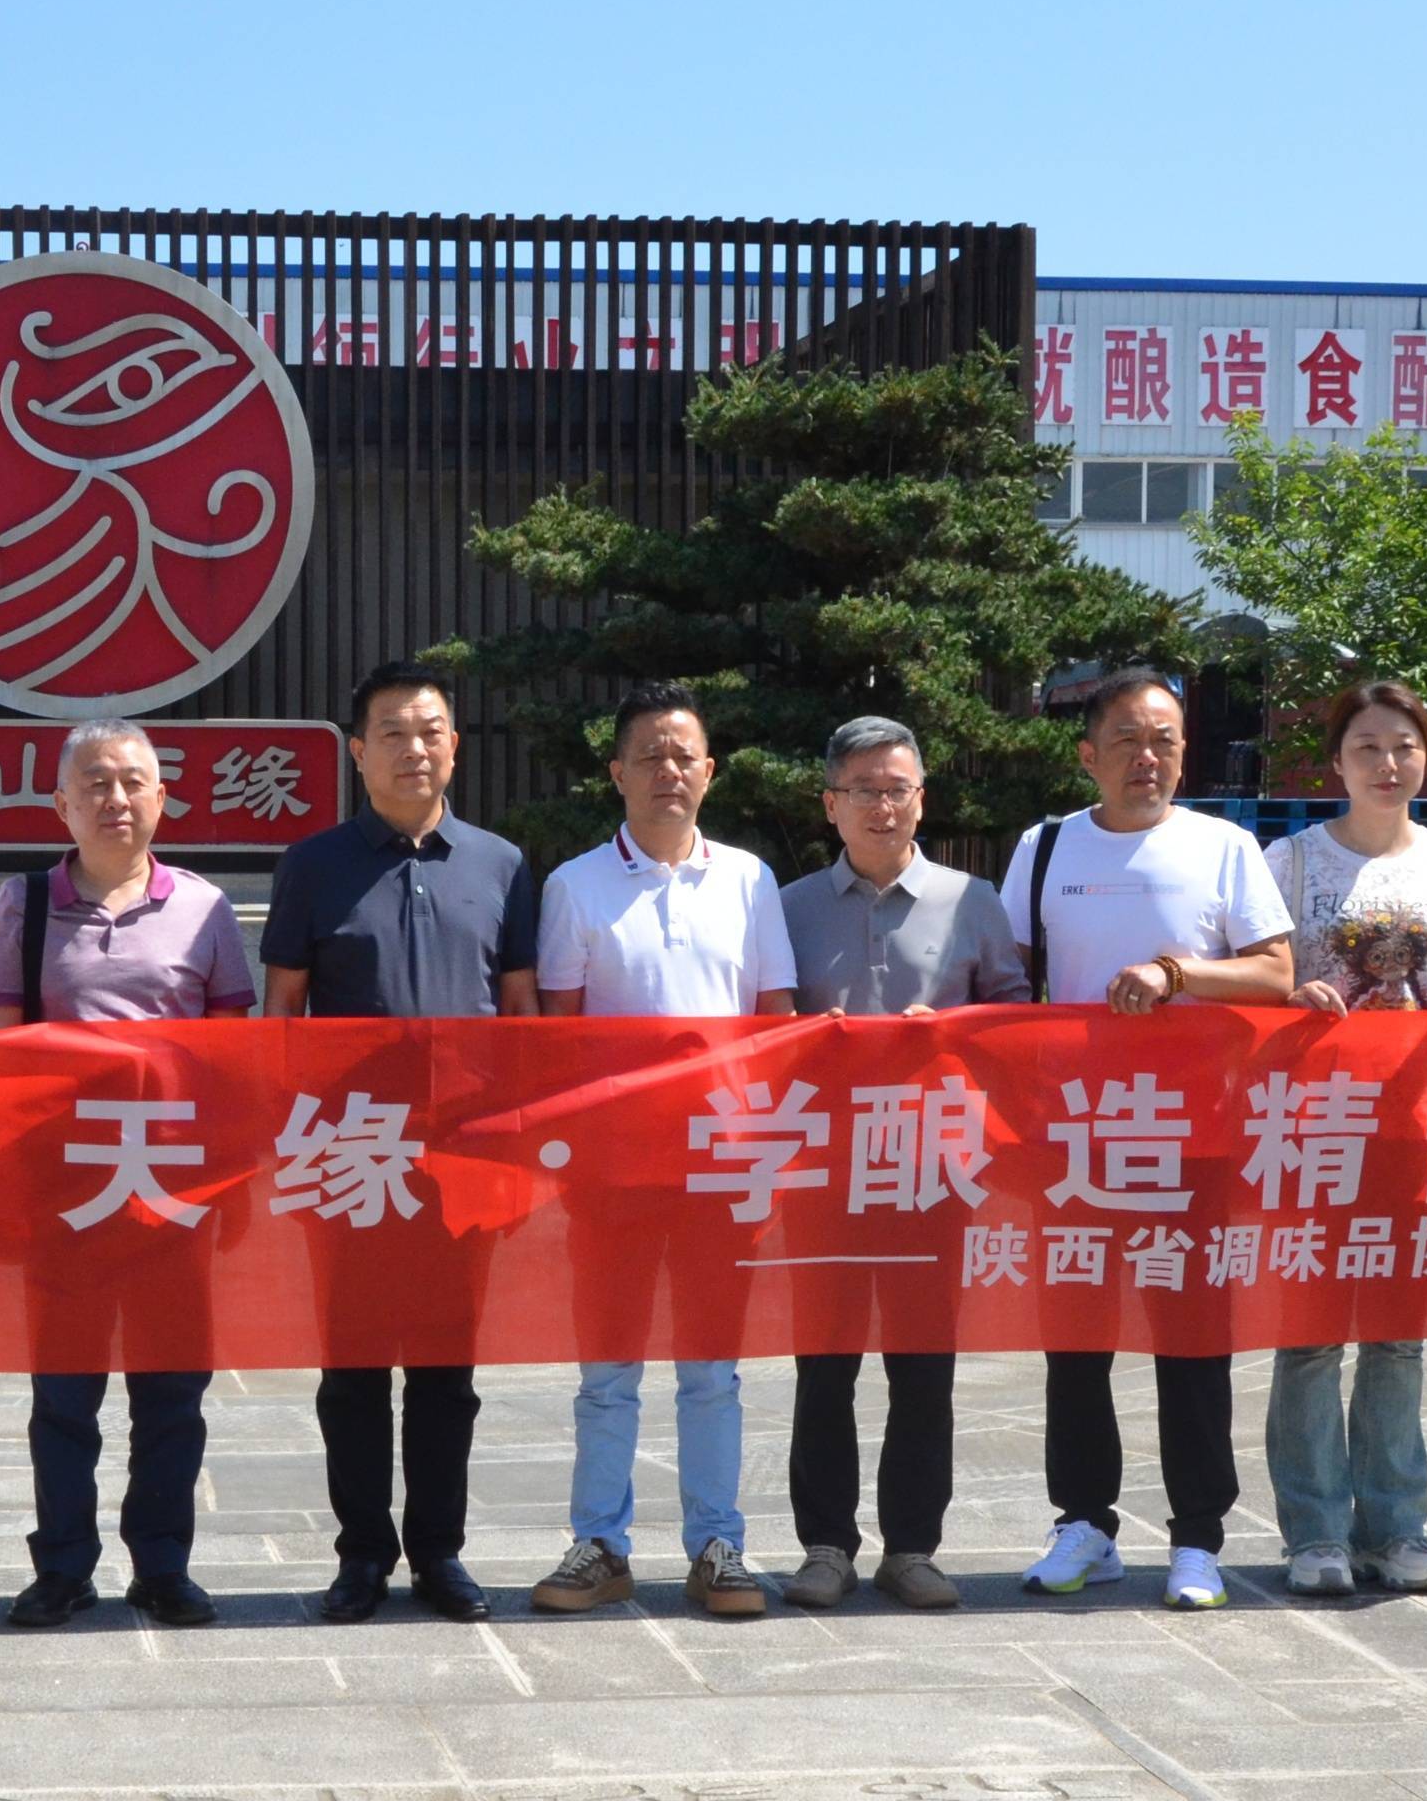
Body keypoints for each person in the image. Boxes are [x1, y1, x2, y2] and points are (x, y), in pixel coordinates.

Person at [998, 667, 1296, 1611]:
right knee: (1075, 1341)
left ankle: (1198, 1537)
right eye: (1127, 739)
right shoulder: (1045, 847)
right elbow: (1007, 982)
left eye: (1164, 739)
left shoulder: (1224, 846)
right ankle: (1084, 1522)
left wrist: (1178, 973)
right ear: (1088, 755)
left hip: (1193, 1139)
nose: (1147, 756)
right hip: (1075, 1138)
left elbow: (1276, 975)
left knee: (1193, 1342)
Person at [261, 661, 541, 1625]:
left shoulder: (502, 865)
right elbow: (283, 1011)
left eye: (429, 732)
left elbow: (521, 1013)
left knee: (446, 1371)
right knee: (351, 1368)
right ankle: (361, 1556)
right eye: (392, 732)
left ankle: (439, 1552)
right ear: (358, 751)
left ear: (453, 747)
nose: (413, 749)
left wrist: (515, 1143)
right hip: (350, 1154)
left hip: (463, 1155)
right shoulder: (313, 864)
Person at [0, 721, 257, 1632]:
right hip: (65, 1193)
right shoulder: (21, 906)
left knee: (171, 1395)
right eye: (94, 783)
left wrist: (234, 1181)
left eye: (133, 782)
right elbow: (0, 1051)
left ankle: (163, 1567)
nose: (115, 799)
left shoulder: (204, 909)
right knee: (64, 1396)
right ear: (61, 803)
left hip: (173, 1191)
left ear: (161, 799)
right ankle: (62, 1568)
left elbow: (233, 1062)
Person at [530, 683, 798, 1620]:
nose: (668, 771)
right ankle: (599, 1544)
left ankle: (718, 1546)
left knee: (712, 1371)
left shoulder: (751, 881)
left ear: (710, 772)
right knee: (607, 1373)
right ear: (617, 773)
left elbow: (776, 1021)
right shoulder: (574, 886)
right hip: (612, 1176)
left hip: (723, 1168)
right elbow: (559, 1039)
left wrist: (768, 1152)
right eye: (649, 755)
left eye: (684, 756)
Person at [776, 715, 1030, 1612]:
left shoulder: (973, 900)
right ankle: (825, 1546)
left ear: (922, 799)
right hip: (823, 1171)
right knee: (825, 1364)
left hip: (933, 1169)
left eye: (898, 789)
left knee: (924, 1365)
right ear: (831, 804)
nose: (883, 807)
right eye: (864, 791)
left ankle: (913, 1547)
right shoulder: (789, 906)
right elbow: (759, 1023)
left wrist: (953, 1036)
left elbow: (1013, 1018)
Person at [1260, 680, 1427, 1600]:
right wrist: (1291, 996)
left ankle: (1396, 1528)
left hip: (1419, 1129)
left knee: (1399, 1336)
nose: (1387, 763)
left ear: (1426, 759)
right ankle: (1315, 1531)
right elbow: (1261, 976)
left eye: (1404, 746)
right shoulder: (1290, 860)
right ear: (1336, 761)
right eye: (1366, 746)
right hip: (1315, 1127)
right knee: (1311, 1337)